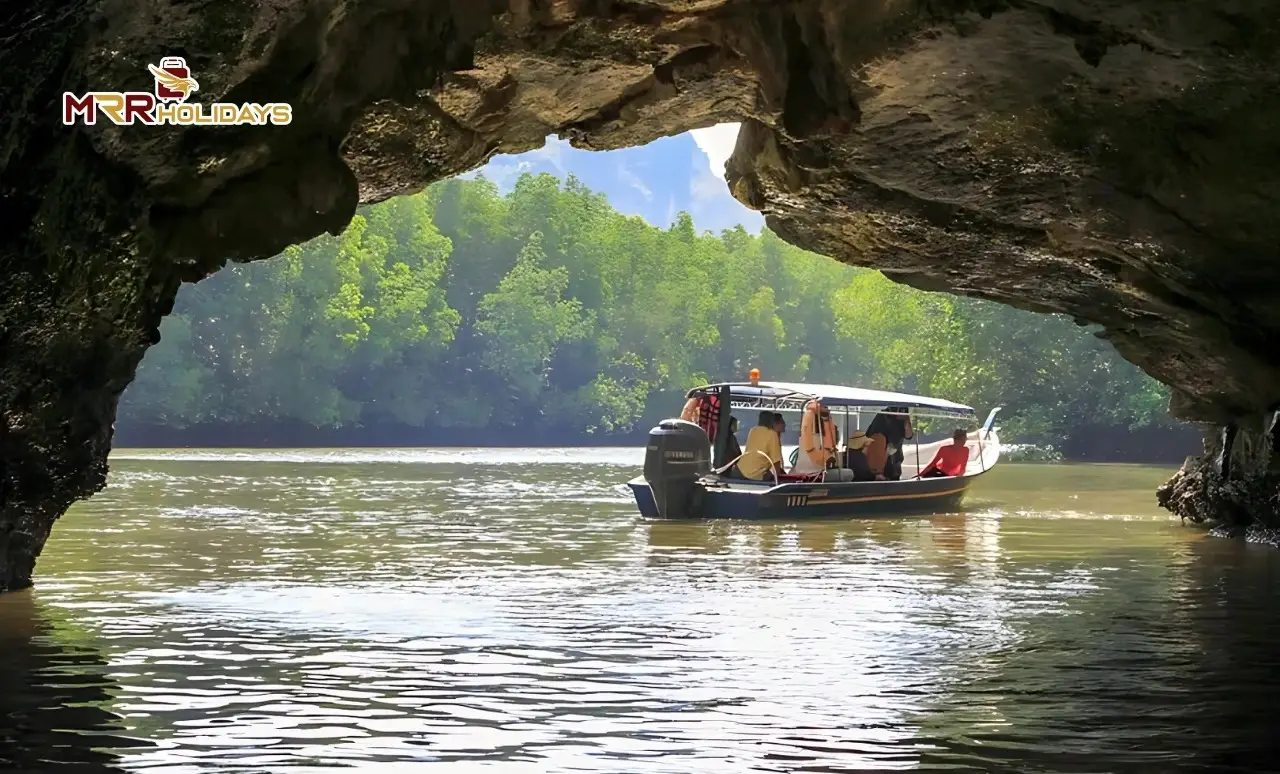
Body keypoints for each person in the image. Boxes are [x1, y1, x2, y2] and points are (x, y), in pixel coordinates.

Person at [866, 406, 913, 481]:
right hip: (881, 463)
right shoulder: (882, 416)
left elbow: (909, 435)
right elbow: (874, 439)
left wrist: (906, 420)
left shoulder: (903, 420)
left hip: (896, 461)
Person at [739, 411, 784, 481]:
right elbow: (776, 462)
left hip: (740, 469)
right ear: (772, 421)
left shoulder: (753, 430)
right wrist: (779, 479)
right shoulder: (772, 434)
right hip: (755, 474)